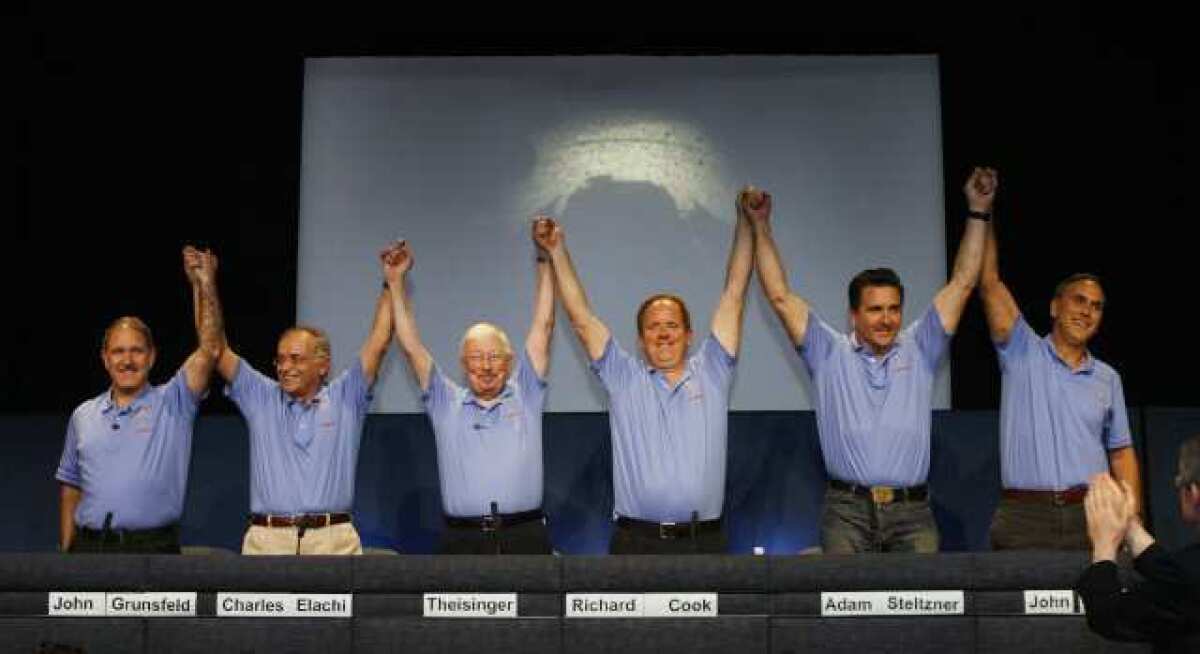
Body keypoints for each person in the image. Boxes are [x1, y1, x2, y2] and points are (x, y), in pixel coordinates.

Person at [749, 169, 993, 553]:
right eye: (875, 309)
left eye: (894, 309)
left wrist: (978, 211)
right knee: (844, 610)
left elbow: (963, 282)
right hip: (847, 513)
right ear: (854, 315)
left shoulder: (920, 347)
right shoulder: (828, 351)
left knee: (921, 610)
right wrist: (760, 225)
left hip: (912, 514)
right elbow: (779, 296)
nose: (887, 319)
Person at [534, 189, 753, 553]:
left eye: (672, 325)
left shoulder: (713, 370)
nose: (664, 333)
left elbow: (734, 292)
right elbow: (582, 320)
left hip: (705, 542)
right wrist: (557, 251)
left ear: (689, 335)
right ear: (640, 339)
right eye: (653, 327)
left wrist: (747, 224)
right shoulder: (623, 377)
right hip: (635, 544)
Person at [384, 226, 555, 554]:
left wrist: (545, 259)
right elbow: (410, 346)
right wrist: (396, 282)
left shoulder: (527, 393)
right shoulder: (446, 401)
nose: (487, 366)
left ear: (510, 361)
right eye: (477, 357)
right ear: (463, 363)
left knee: (536, 609)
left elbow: (543, 325)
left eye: (495, 357)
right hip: (462, 541)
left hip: (526, 537)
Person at [980, 197, 1140, 549]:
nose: (1087, 311)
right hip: (1025, 515)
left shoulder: (1107, 378)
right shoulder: (1022, 351)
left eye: (1096, 306)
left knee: (1095, 604)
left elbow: (1121, 452)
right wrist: (983, 212)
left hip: (1091, 514)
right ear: (1055, 306)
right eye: (1079, 300)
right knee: (1019, 606)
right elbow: (989, 282)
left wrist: (1130, 518)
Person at [216, 248, 393, 555]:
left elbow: (378, 342)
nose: (285, 367)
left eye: (296, 359)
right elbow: (216, 350)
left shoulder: (344, 397)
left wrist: (391, 281)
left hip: (332, 541)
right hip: (267, 541)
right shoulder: (261, 396)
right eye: (280, 360)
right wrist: (204, 284)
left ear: (322, 365)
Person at [56, 246, 224, 553]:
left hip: (153, 550)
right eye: (118, 352)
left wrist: (203, 284)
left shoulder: (174, 402)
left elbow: (210, 350)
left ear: (152, 357)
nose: (127, 360)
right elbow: (70, 485)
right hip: (89, 552)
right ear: (105, 359)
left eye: (136, 350)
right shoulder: (83, 415)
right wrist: (67, 552)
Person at [1076, 436, 1200, 650]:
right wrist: (1132, 528)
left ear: (1194, 493)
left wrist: (1104, 547)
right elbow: (1177, 579)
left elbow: (1109, 615)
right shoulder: (1186, 574)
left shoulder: (1187, 579)